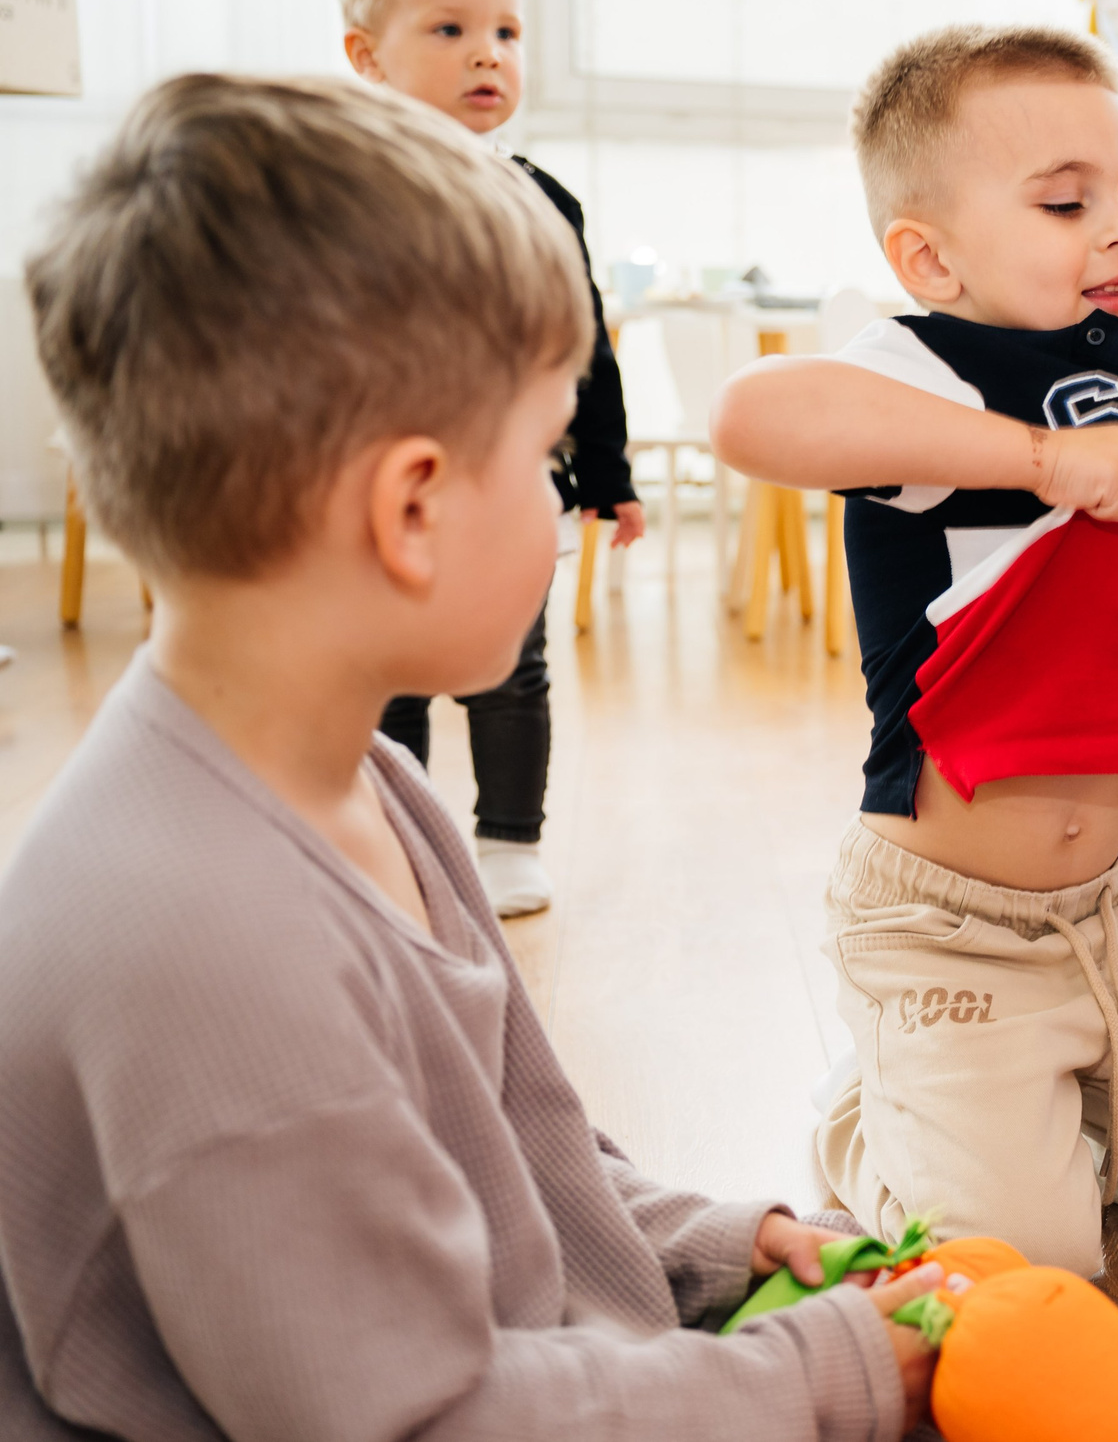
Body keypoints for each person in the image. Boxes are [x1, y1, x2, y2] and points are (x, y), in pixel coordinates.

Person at [1, 73, 940, 1438]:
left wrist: (724, 1245)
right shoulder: (208, 946)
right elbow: (416, 1419)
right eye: (551, 457)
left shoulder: (359, 777)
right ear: (415, 507)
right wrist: (814, 1378)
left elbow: (534, 1156)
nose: (561, 506)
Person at [711, 25, 1118, 1279]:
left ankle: (1044, 1107)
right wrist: (1042, 460)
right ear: (929, 257)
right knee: (1028, 1269)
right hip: (944, 927)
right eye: (1065, 202)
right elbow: (755, 415)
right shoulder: (925, 372)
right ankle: (880, 1113)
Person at [340, 0, 645, 918]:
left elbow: (585, 345)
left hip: (512, 485)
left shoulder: (543, 201)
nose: (486, 53)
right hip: (383, 487)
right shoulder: (346, 198)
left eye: (507, 35)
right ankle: (402, 831)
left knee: (513, 668)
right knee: (391, 673)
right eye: (448, 30)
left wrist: (608, 475)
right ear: (366, 57)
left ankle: (509, 837)